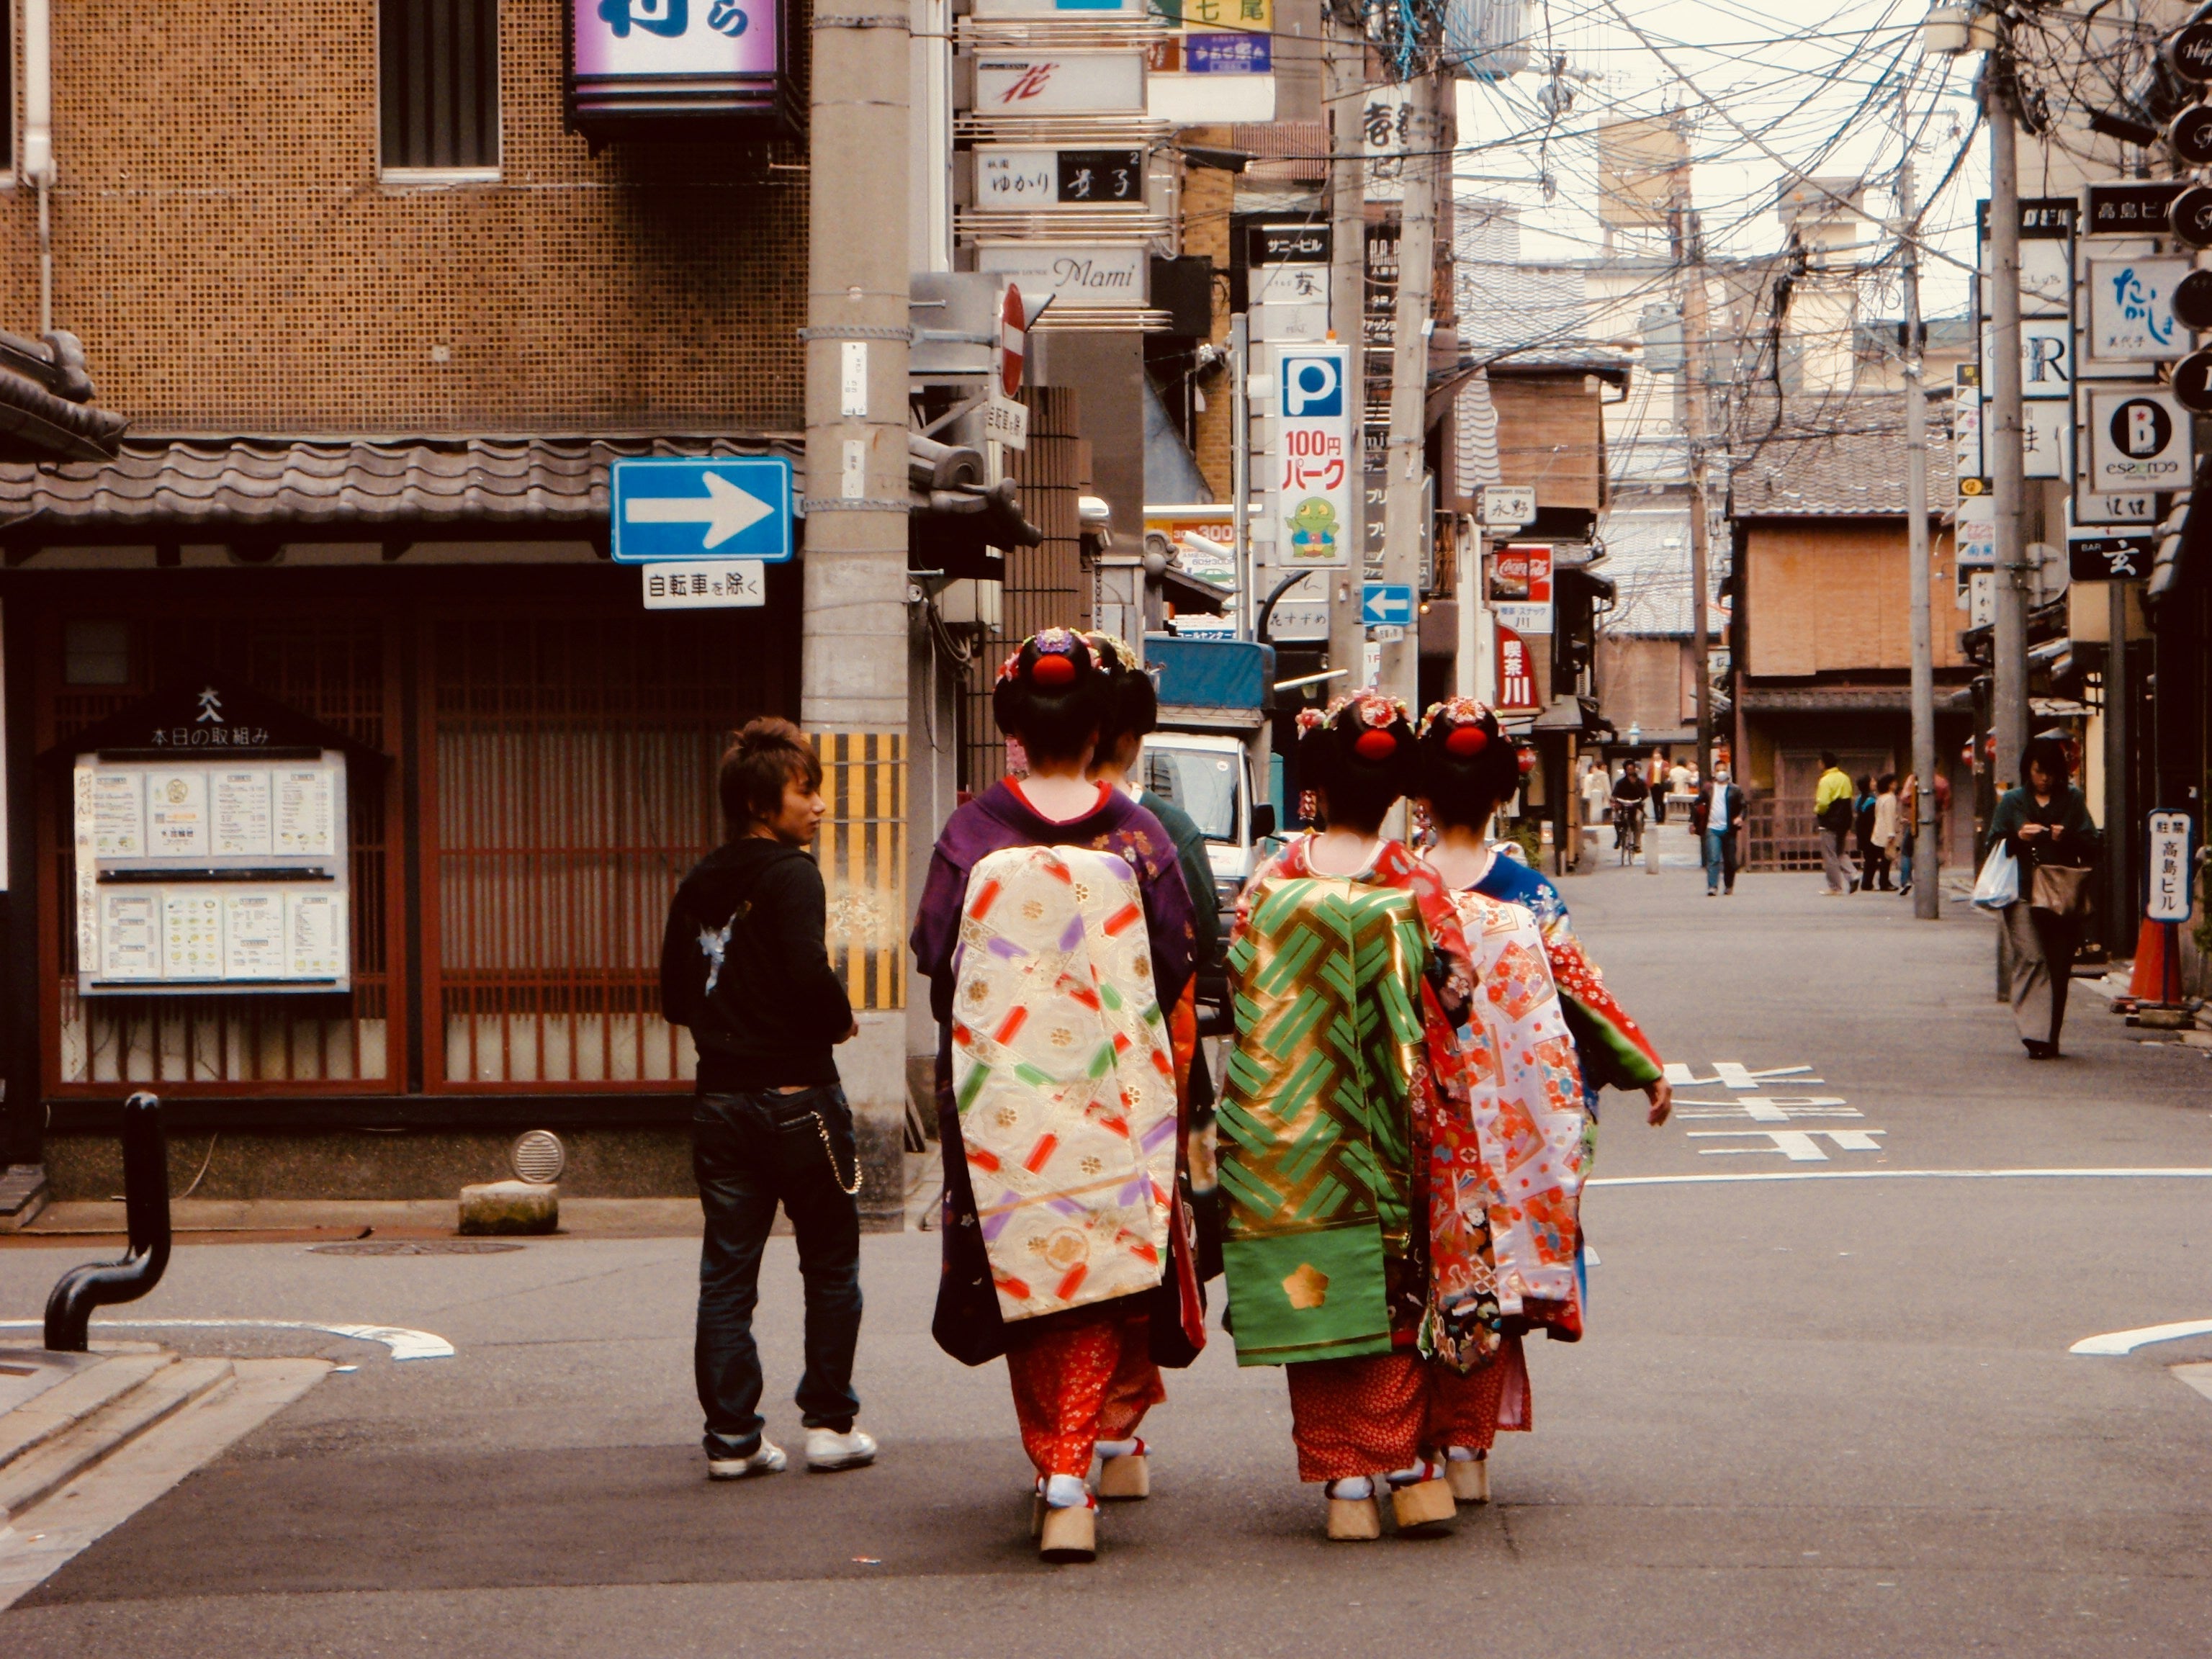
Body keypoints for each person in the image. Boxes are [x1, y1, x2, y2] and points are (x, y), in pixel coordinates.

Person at [909, 629, 1200, 1564]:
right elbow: (1175, 956)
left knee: (1028, 1269)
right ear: (1105, 724)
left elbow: (932, 953)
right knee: (1105, 1268)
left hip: (1002, 1100)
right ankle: (1087, 1456)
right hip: (1116, 1090)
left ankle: (1060, 1462)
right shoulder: (1139, 833)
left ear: (1013, 727)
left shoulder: (973, 832)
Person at [1220, 691, 1490, 1542]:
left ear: (1315, 786)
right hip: (1398, 1122)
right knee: (1402, 1281)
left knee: (1317, 1282)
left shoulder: (1272, 883)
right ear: (1402, 788)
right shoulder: (1413, 883)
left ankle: (1343, 1485)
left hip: (1295, 1132)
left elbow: (1238, 992)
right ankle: (1409, 1468)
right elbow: (1456, 996)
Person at [660, 717, 875, 1484]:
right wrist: (839, 1017)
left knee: (727, 1273)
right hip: (799, 1102)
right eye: (805, 790)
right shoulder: (792, 874)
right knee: (830, 1262)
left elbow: (675, 998)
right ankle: (828, 1423)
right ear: (763, 801)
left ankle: (732, 1440)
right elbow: (806, 968)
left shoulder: (698, 883)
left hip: (719, 1103)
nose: (817, 805)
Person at [1414, 698, 1596, 1507]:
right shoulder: (1530, 895)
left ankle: (1411, 1439)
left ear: (1418, 793)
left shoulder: (1393, 885)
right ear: (1501, 793)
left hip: (1419, 1118)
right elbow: (1582, 1012)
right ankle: (1470, 1454)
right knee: (1498, 1276)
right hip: (1511, 1129)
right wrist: (1609, 1087)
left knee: (1416, 1274)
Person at [1082, 631, 1224, 1278]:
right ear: (1136, 736)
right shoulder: (1167, 829)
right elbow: (1202, 946)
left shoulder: (1007, 827)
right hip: (1157, 1056)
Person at [1989, 736, 2101, 1059]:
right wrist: (2016, 838)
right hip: (2022, 893)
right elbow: (1993, 845)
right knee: (2032, 958)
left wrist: (2065, 837)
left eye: (2051, 772)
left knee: (2059, 967)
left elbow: (2093, 846)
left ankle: (2050, 1038)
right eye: (2039, 771)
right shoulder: (2012, 802)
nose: (2045, 779)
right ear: (2028, 770)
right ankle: (2034, 1035)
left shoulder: (2073, 800)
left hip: (2061, 896)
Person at [1691, 763, 1745, 896]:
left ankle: (1729, 885)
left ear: (1727, 772)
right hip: (1712, 828)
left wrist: (1740, 817)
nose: (1721, 773)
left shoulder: (1735, 790)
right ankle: (1712, 886)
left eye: (1723, 770)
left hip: (1729, 829)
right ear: (1714, 773)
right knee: (1713, 858)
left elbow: (1743, 806)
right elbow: (1697, 804)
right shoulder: (1708, 789)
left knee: (1729, 860)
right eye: (1718, 770)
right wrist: (1694, 822)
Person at [1814, 752, 1857, 895]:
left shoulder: (1825, 780)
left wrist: (1817, 810)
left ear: (1824, 763)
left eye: (1820, 762)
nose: (1818, 764)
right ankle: (1853, 874)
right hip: (1844, 819)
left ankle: (1835, 887)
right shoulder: (1845, 778)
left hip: (1829, 820)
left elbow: (1824, 803)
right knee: (1839, 851)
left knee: (1830, 854)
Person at [1868, 774, 1900, 893]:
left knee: (1878, 858)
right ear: (1890, 785)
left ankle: (1872, 882)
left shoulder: (1881, 798)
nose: (1896, 785)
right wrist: (1891, 833)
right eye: (1894, 783)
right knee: (1887, 859)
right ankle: (1884, 882)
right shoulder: (1890, 798)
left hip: (1878, 830)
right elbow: (1889, 816)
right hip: (1886, 831)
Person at [1610, 763, 1649, 855]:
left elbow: (1645, 794)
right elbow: (1615, 794)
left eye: (1632, 769)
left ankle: (1637, 844)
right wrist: (1616, 802)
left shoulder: (1640, 782)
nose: (1630, 771)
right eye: (1628, 769)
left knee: (1638, 821)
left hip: (1636, 806)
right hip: (1623, 805)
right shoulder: (1620, 783)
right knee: (1616, 820)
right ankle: (1619, 838)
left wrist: (1640, 801)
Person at [1897, 773, 1920, 897]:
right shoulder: (1941, 782)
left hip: (1916, 822)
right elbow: (1947, 803)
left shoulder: (1913, 778)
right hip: (1936, 822)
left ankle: (1906, 881)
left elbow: (1905, 797)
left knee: (1906, 851)